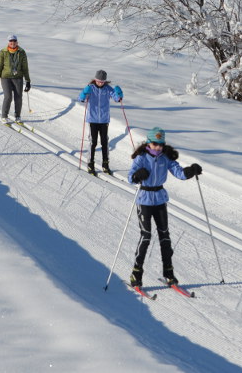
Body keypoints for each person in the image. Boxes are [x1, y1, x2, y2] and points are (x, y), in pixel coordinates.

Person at [127, 127, 202, 288]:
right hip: (145, 200)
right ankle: (136, 273)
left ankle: (168, 273)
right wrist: (137, 175)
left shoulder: (165, 158)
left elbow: (179, 172)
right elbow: (130, 178)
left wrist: (190, 171)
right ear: (149, 143)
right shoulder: (141, 158)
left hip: (160, 199)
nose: (158, 147)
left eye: (161, 144)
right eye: (155, 144)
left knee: (165, 237)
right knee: (146, 236)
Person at [78, 69, 123, 175]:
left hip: (104, 120)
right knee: (93, 142)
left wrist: (119, 94)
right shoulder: (91, 88)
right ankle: (90, 164)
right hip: (92, 119)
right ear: (95, 80)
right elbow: (81, 99)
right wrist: (84, 93)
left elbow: (117, 99)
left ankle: (105, 164)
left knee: (104, 142)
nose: (100, 83)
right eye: (98, 81)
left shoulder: (108, 89)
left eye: (102, 82)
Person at [0, 34, 31, 122]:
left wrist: (28, 81)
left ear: (17, 42)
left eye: (14, 41)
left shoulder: (21, 52)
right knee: (8, 96)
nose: (12, 43)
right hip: (5, 77)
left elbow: (25, 67)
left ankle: (17, 115)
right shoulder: (3, 52)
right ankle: (4, 116)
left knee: (18, 97)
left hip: (18, 77)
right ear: (8, 42)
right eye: (10, 41)